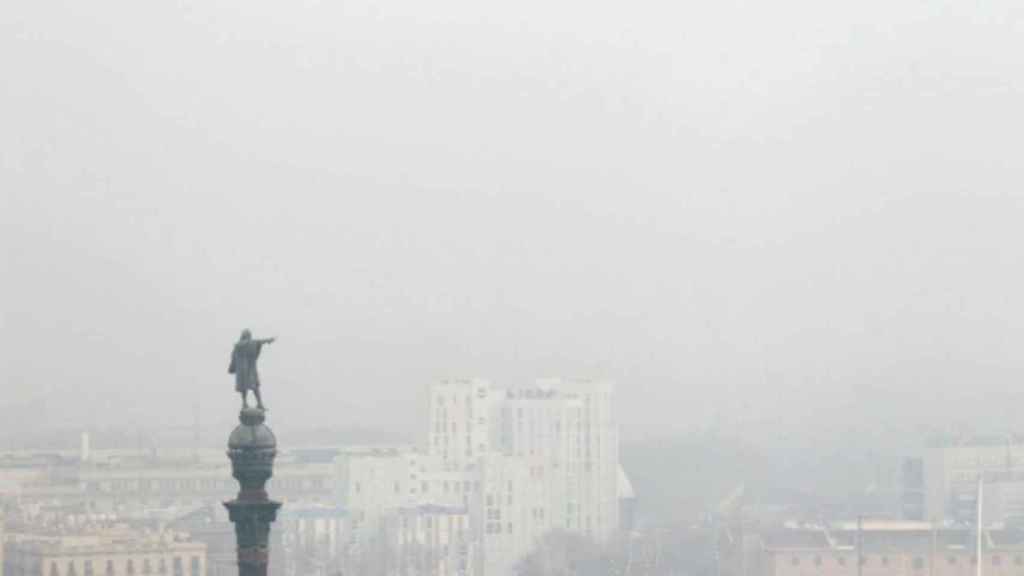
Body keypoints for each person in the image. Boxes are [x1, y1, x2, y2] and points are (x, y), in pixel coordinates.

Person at [228, 329, 275, 410]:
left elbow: (233, 358)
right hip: (250, 369)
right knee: (255, 386)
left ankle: (244, 403)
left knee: (244, 387)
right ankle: (259, 403)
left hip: (241, 371)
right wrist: (269, 340)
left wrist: (232, 367)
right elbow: (260, 342)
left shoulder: (237, 346)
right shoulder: (251, 342)